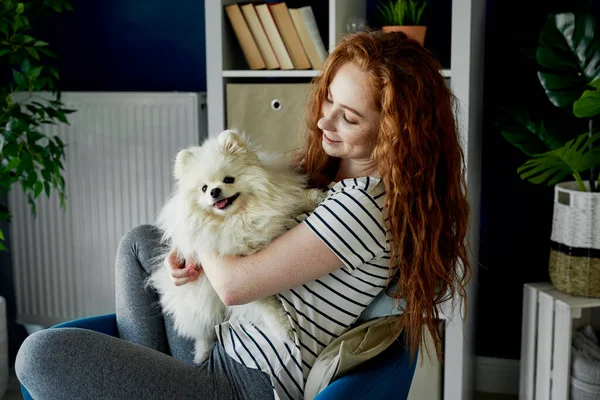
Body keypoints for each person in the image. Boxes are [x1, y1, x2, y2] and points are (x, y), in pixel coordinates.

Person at [15, 30, 471, 400]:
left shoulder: (363, 205)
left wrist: (196, 225)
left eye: (348, 118)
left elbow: (234, 286)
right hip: (224, 341)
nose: (324, 121)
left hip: (246, 383)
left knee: (38, 355)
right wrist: (189, 252)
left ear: (395, 133)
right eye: (329, 99)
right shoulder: (331, 177)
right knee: (140, 243)